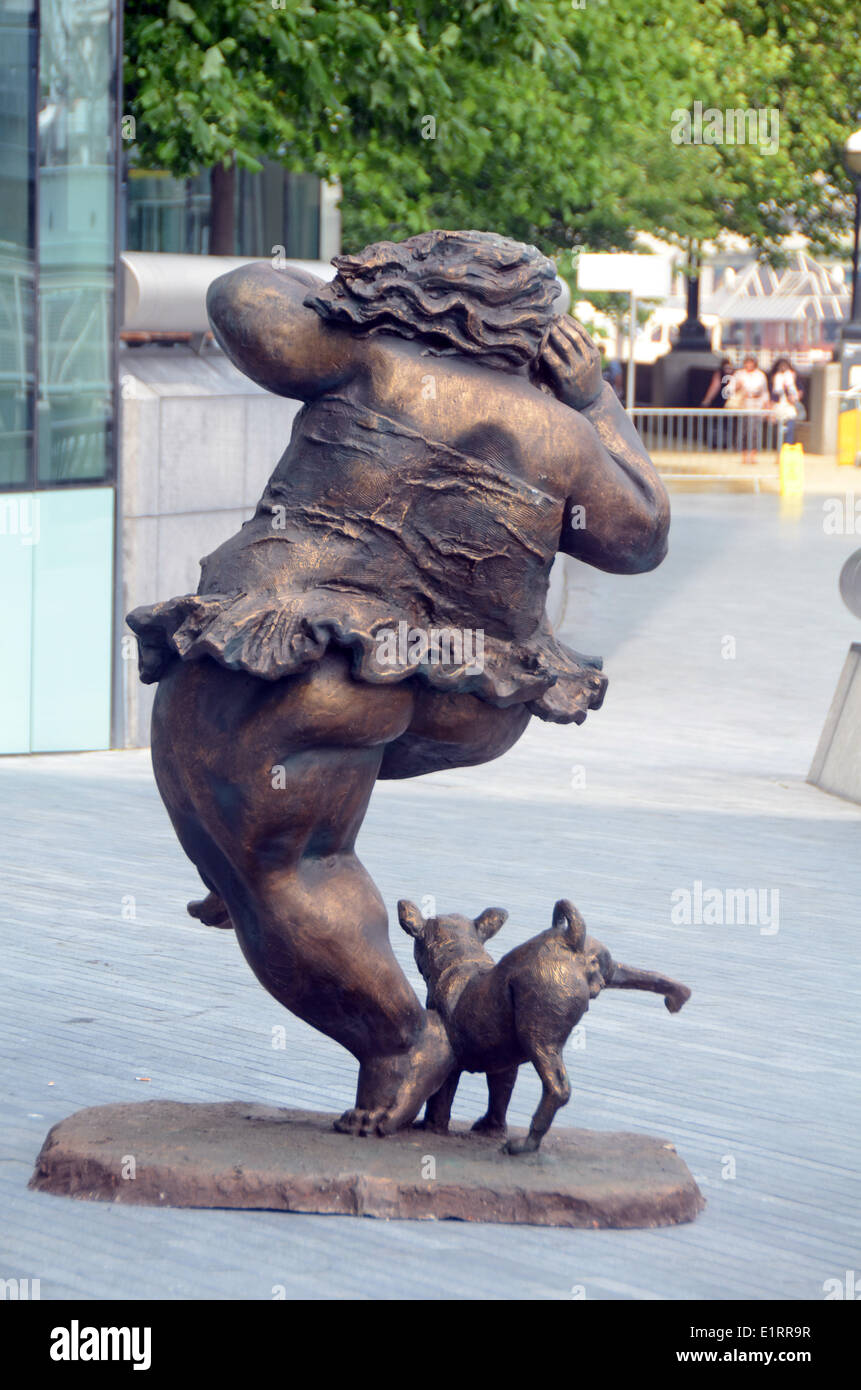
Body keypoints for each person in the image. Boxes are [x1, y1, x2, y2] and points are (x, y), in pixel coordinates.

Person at [127, 230, 670, 1137]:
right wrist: (595, 397)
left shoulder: (363, 357)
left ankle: (399, 1040)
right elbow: (640, 533)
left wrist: (367, 288)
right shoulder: (564, 435)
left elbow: (242, 294)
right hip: (453, 694)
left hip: (310, 655)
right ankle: (261, 866)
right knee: (262, 837)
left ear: (424, 293)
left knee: (274, 858)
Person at [730, 354, 770, 465]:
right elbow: (730, 389)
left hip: (756, 407)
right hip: (743, 407)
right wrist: (738, 386)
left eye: (751, 362)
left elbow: (765, 392)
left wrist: (766, 406)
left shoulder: (760, 375)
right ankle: (743, 456)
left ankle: (753, 456)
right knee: (743, 432)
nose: (749, 365)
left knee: (754, 433)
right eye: (747, 362)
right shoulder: (739, 374)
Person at [701, 358, 734, 449]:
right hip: (730, 403)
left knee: (716, 424)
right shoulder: (735, 374)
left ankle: (715, 443)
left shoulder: (719, 373)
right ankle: (725, 443)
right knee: (727, 425)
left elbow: (714, 387)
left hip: (718, 402)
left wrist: (707, 400)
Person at [770, 357, 802, 445]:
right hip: (779, 406)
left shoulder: (794, 377)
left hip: (790, 406)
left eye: (785, 366)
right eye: (781, 366)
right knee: (779, 432)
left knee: (790, 429)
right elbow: (773, 396)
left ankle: (788, 447)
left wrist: (794, 398)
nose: (783, 368)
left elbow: (799, 391)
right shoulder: (776, 379)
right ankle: (780, 450)